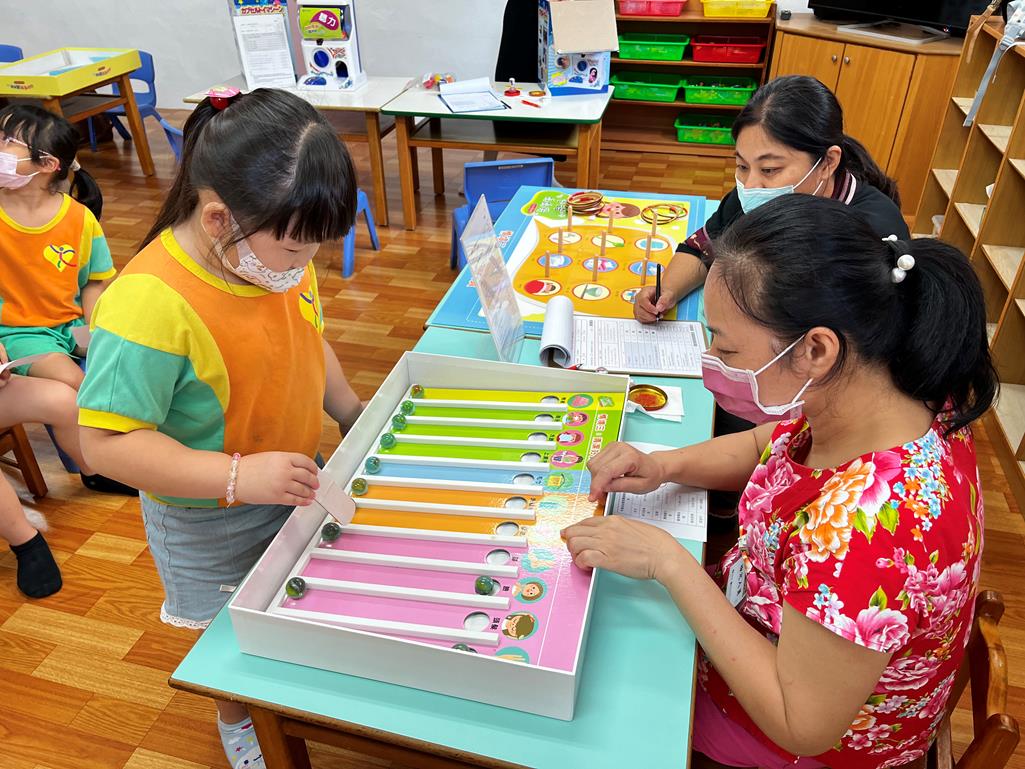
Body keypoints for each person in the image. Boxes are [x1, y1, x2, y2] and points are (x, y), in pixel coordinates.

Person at [565, 195, 996, 769]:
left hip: (814, 734)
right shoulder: (884, 394)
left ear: (815, 348)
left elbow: (801, 725)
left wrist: (670, 563)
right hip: (782, 628)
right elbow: (766, 445)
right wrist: (664, 465)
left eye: (725, 345)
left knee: (598, 699)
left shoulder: (864, 532)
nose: (710, 358)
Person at [77, 88, 363, 769]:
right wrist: (238, 475)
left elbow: (307, 340)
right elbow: (104, 443)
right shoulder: (147, 304)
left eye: (313, 250)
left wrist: (351, 411)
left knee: (290, 600)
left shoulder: (273, 260)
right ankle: (239, 722)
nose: (302, 266)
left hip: (288, 481)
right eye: (293, 249)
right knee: (226, 640)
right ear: (216, 218)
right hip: (207, 518)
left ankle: (283, 691)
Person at [633, 75, 910, 325]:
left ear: (827, 162)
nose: (751, 185)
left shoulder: (872, 232)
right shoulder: (753, 197)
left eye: (769, 170)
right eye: (742, 166)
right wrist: (666, 290)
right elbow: (701, 250)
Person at [0, 104, 131, 494]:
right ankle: (98, 469)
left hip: (70, 326)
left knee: (120, 374)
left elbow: (94, 282)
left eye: (8, 140)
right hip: (20, 332)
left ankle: (121, 455)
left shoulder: (79, 218)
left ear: (47, 165)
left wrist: (95, 331)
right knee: (77, 382)